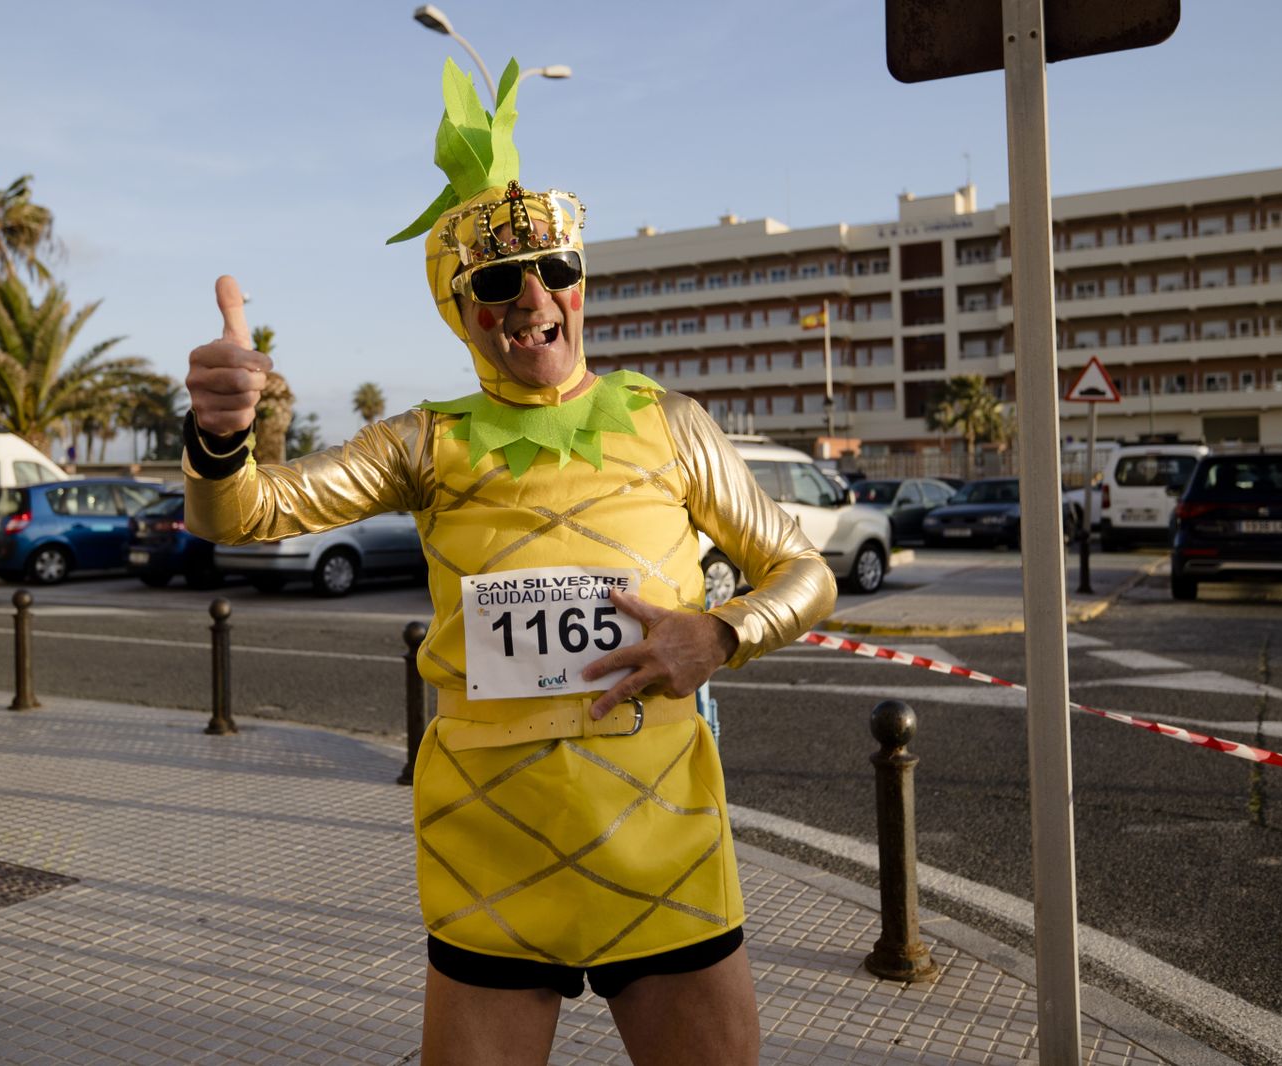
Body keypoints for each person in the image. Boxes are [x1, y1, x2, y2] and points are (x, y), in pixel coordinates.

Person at [180, 59, 835, 1066]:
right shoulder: (424, 441)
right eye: (498, 280)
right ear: (461, 308)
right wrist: (223, 432)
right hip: (489, 838)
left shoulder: (670, 424)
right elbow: (245, 515)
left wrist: (720, 630)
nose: (535, 297)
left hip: (661, 826)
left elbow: (802, 571)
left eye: (556, 269)